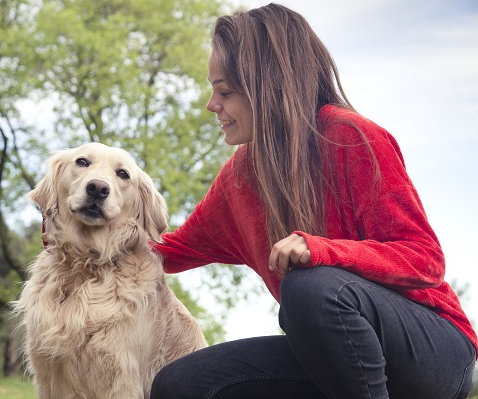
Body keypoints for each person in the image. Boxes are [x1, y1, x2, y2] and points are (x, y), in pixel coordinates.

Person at [148, 3, 477, 398]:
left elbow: (425, 258)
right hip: (336, 357)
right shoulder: (239, 178)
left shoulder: (351, 136)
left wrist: (321, 250)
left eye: (225, 91)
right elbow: (165, 253)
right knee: (179, 384)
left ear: (265, 87)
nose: (212, 105)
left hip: (432, 350)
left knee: (310, 288)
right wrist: (76, 221)